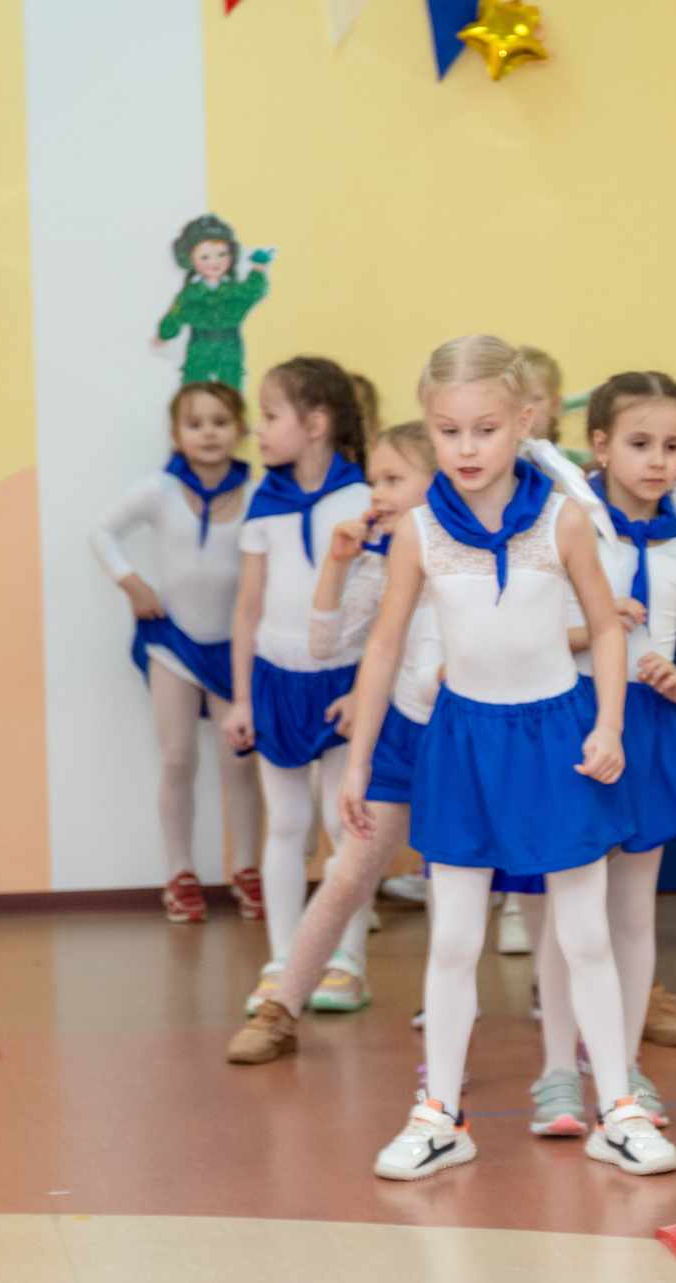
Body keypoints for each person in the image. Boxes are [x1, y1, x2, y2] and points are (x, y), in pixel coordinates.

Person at [338, 335, 672, 1181]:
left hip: (558, 740)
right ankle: (440, 1114)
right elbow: (381, 651)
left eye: (485, 429)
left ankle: (618, 1109)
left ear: (524, 423)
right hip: (462, 744)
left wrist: (609, 724)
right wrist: (357, 764)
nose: (466, 448)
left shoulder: (561, 519)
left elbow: (604, 624)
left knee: (585, 934)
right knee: (453, 940)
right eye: (447, 431)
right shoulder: (418, 532)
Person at [519, 373, 676, 1137]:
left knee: (634, 916)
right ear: (599, 446)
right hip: (573, 722)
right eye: (640, 444)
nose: (658, 461)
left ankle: (621, 1059)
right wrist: (591, 629)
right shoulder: (565, 529)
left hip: (654, 730)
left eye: (673, 446)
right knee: (568, 916)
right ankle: (554, 1071)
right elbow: (524, 634)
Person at [225, 421, 437, 1062]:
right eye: (375, 478)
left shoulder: (475, 557)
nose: (378, 491)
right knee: (348, 869)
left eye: (394, 479)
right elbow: (327, 644)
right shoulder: (381, 561)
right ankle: (282, 1005)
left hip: (470, 733)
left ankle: (474, 1002)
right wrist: (338, 567)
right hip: (401, 734)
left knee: (484, 878)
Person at [219, 358, 374, 1018]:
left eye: (271, 415)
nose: (257, 428)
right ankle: (285, 959)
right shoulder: (263, 502)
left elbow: (385, 608)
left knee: (349, 829)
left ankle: (346, 962)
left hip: (344, 686)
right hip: (275, 683)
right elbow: (248, 607)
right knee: (286, 826)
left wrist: (366, 691)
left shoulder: (365, 499)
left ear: (315, 424)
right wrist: (243, 696)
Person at [86, 382, 264, 923]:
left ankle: (249, 869)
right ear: (176, 435)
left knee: (240, 763)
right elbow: (101, 531)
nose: (208, 433)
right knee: (179, 758)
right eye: (196, 423)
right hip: (173, 643)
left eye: (219, 422)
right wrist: (131, 583)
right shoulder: (159, 491)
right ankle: (180, 874)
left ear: (240, 430)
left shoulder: (259, 495)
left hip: (235, 647)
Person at [154, 214, 273, 389]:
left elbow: (253, 292)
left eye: (222, 254)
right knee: (195, 386)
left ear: (231, 255)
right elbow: (176, 315)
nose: (215, 262)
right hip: (200, 346)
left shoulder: (234, 292)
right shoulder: (190, 294)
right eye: (205, 257)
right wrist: (164, 334)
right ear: (190, 260)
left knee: (230, 388)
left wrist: (258, 270)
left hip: (230, 346)